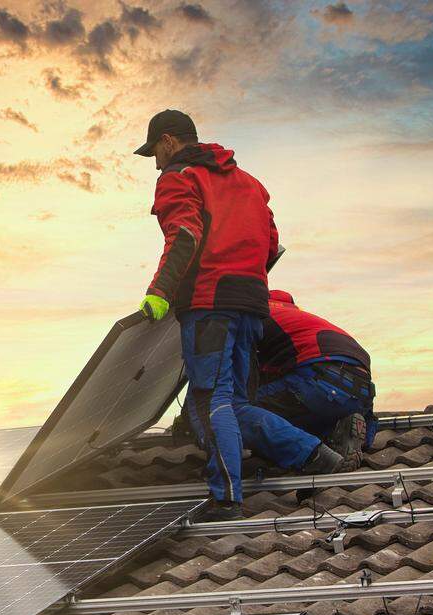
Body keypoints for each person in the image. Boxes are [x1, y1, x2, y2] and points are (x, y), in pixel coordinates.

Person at [134, 109, 343, 521]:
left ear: (170, 142)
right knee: (235, 403)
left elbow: (186, 234)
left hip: (210, 306)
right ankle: (312, 454)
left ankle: (226, 498)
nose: (155, 163)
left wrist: (160, 292)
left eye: (155, 152)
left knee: (209, 402)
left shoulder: (178, 177)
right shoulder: (250, 183)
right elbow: (270, 244)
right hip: (252, 305)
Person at [247, 290, 376, 468]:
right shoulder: (300, 317)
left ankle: (314, 457)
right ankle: (337, 431)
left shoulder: (256, 316)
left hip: (321, 381)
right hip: (361, 393)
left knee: (240, 410)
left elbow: (239, 376)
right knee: (297, 410)